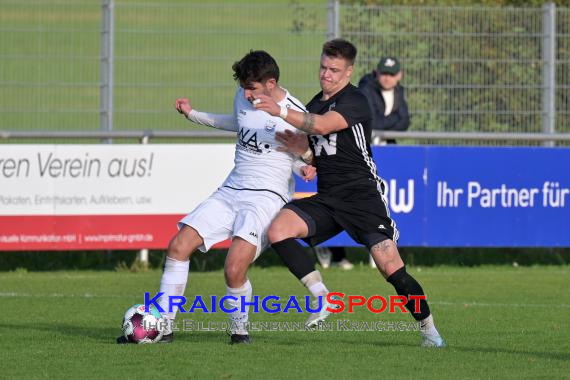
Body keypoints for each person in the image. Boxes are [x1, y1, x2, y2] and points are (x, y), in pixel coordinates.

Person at [254, 39, 445, 347]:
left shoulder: (355, 100)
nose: (326, 74)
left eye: (334, 70)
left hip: (362, 196)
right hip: (328, 197)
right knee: (279, 229)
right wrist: (302, 154)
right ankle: (323, 297)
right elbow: (319, 150)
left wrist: (280, 110)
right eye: (323, 67)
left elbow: (320, 126)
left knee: (390, 267)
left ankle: (429, 330)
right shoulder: (315, 102)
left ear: (348, 71)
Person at [117, 50, 315, 345]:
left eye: (253, 88)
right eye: (244, 87)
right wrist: (193, 114)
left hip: (267, 199)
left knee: (233, 268)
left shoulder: (296, 113)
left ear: (271, 83)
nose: (246, 94)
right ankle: (165, 329)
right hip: (231, 190)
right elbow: (236, 122)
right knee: (178, 246)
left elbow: (306, 153)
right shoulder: (243, 97)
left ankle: (239, 333)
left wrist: (306, 163)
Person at [358, 56, 409, 145]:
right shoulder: (366, 90)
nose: (387, 78)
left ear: (399, 75)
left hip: (387, 145)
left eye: (391, 74)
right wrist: (396, 117)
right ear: (377, 73)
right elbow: (372, 123)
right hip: (365, 146)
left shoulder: (398, 91)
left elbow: (405, 122)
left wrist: (384, 131)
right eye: (384, 73)